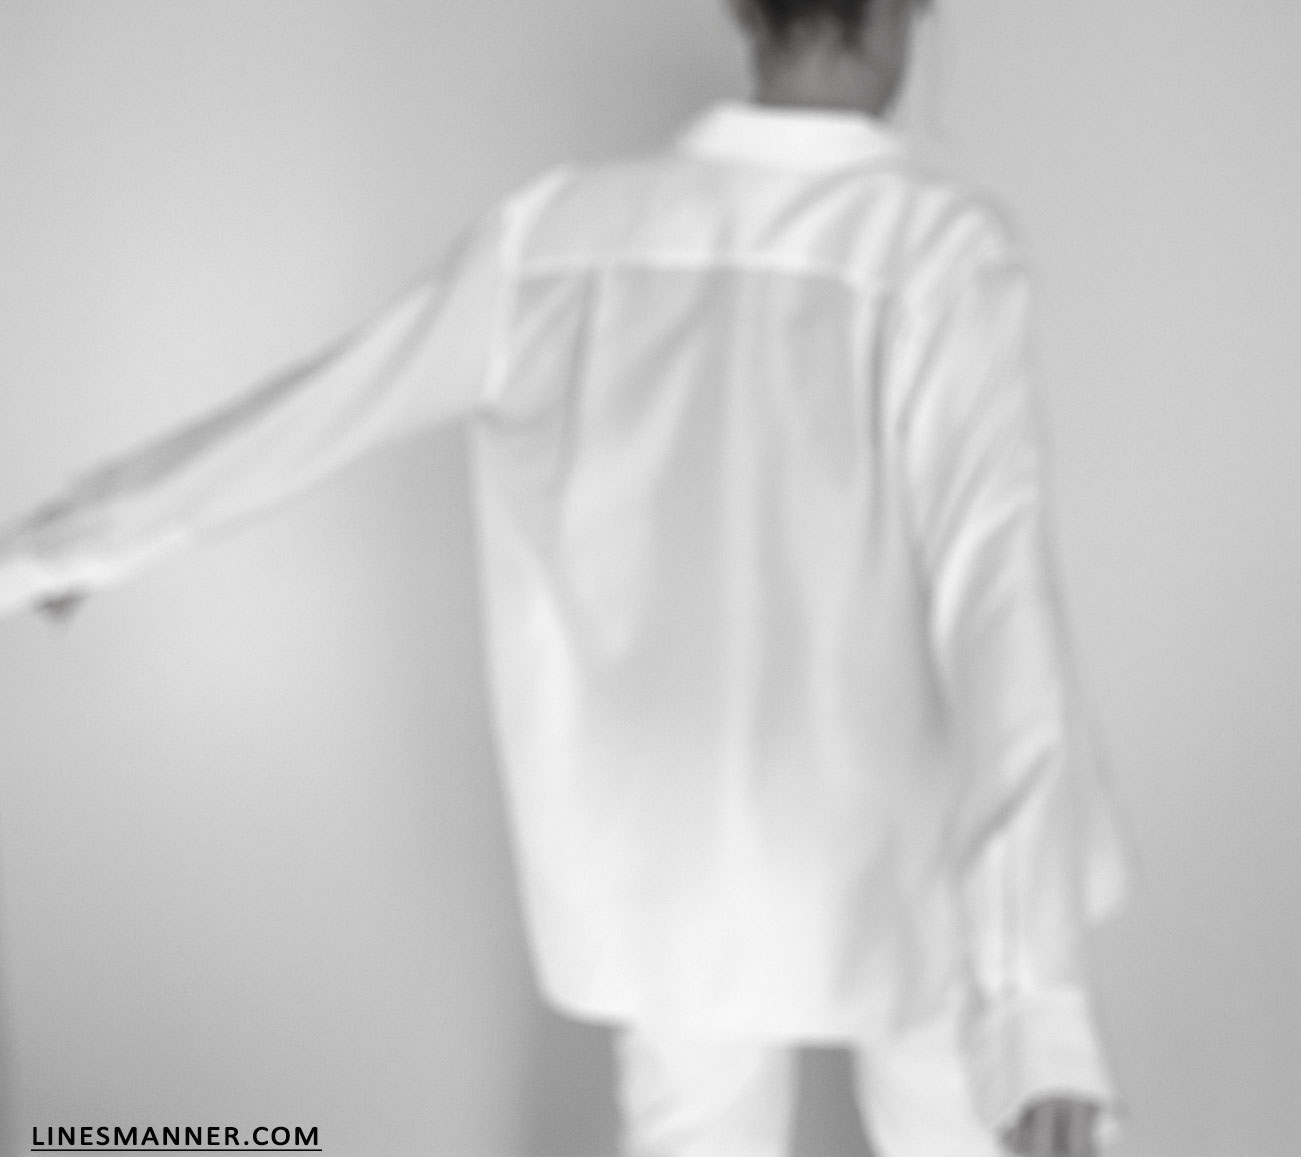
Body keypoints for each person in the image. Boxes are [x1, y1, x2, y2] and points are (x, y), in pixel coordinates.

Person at [0, 0, 1135, 1153]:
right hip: (924, 861)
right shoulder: (937, 250)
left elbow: (330, 401)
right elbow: (997, 603)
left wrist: (76, 541)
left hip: (671, 863)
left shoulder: (557, 235)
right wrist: (1034, 1001)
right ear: (897, 15)